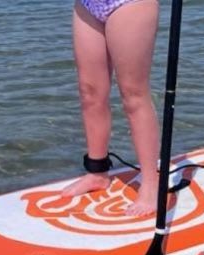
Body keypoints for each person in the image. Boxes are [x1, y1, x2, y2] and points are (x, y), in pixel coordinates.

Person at [61, 0, 160, 217]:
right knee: (90, 92)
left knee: (133, 94)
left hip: (129, 4)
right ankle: (98, 173)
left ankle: (151, 183)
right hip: (87, 4)